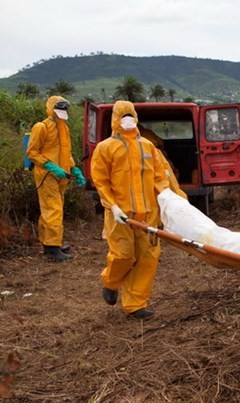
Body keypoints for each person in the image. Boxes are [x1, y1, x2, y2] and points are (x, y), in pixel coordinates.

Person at [91, 101, 169, 320]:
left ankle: (135, 304)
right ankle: (110, 282)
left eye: (130, 115)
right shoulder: (105, 148)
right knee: (124, 255)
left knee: (148, 258)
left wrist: (166, 199)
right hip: (120, 215)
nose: (127, 119)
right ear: (116, 118)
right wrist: (113, 206)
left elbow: (159, 177)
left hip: (148, 214)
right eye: (122, 115)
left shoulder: (148, 146)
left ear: (136, 117)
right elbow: (101, 181)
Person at [26, 96, 86, 262]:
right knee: (53, 209)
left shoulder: (63, 128)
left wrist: (74, 168)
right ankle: (52, 248)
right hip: (47, 175)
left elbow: (65, 152)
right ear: (51, 108)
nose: (62, 112)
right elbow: (32, 152)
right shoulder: (42, 127)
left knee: (53, 209)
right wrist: (51, 166)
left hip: (61, 176)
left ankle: (51, 243)